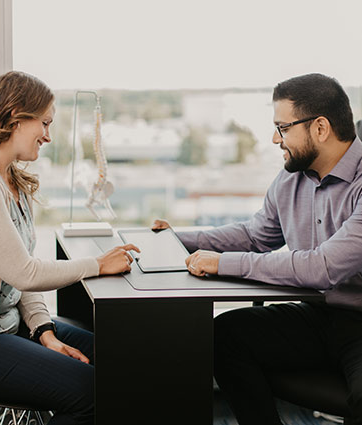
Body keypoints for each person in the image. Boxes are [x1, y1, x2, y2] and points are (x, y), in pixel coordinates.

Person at [153, 73, 362, 425]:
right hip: (321, 314)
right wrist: (176, 238)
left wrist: (223, 264)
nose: (274, 139)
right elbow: (255, 236)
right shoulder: (291, 178)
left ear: (320, 128)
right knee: (224, 337)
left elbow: (322, 267)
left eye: (283, 128)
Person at [0, 70, 139, 425]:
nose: (47, 135)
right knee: (91, 391)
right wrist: (97, 264)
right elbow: (25, 273)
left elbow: (18, 272)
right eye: (44, 123)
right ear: (16, 115)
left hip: (5, 326)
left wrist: (44, 332)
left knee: (125, 361)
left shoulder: (12, 179)